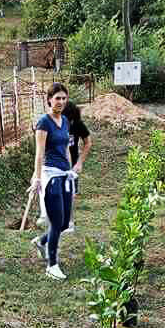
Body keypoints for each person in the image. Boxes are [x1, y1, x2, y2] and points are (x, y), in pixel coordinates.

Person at [30, 82, 76, 281]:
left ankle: (42, 242)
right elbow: (39, 153)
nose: (61, 102)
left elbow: (66, 148)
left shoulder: (65, 121)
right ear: (49, 100)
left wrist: (72, 170)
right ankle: (52, 265)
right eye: (57, 98)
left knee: (65, 222)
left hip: (65, 175)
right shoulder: (44, 122)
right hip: (50, 176)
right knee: (57, 221)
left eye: (64, 98)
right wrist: (37, 177)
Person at [62, 100, 91, 233]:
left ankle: (69, 222)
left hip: (72, 165)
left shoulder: (78, 124)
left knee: (70, 194)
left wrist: (80, 162)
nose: (69, 123)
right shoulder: (53, 123)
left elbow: (88, 143)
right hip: (56, 164)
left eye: (71, 121)